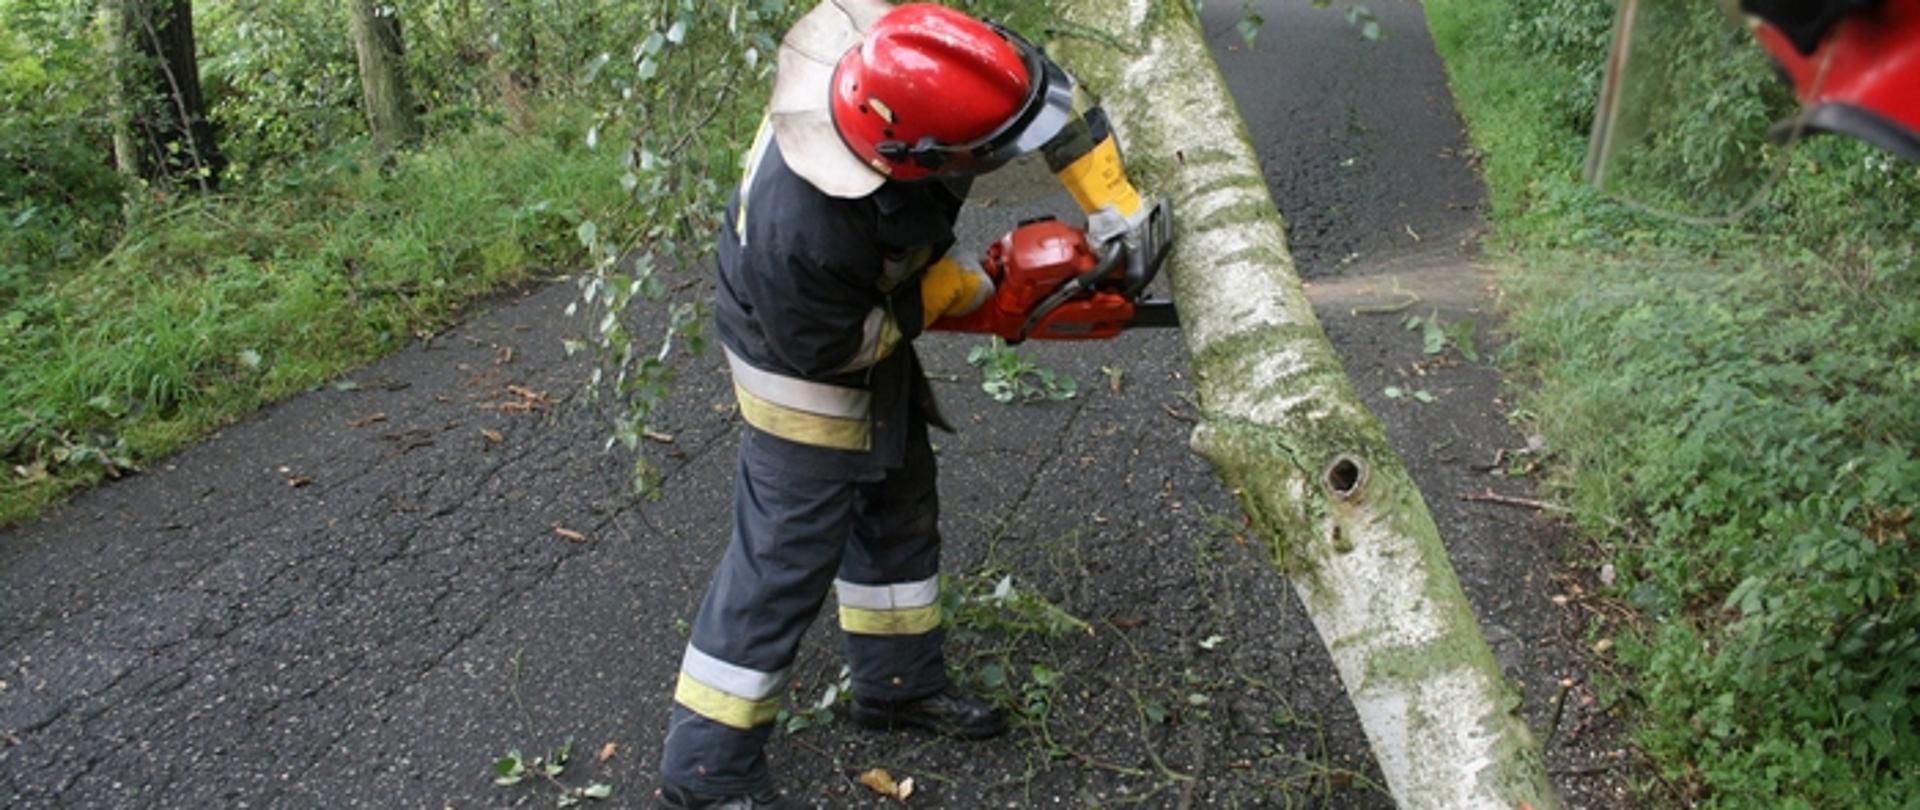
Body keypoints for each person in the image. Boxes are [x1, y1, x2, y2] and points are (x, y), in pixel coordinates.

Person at [653, 3, 1163, 808]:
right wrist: (956, 294)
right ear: (911, 157)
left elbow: (1047, 101)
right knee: (787, 552)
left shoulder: (929, 60)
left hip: (862, 295)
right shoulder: (805, 229)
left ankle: (895, 685)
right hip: (797, 351)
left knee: (894, 493)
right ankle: (705, 770)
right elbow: (836, 346)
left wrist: (1115, 202)